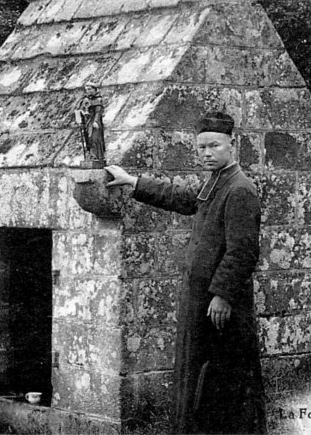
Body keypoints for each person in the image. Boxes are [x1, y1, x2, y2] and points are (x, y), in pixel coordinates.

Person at [105, 111, 265, 434]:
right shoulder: (214, 182)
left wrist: (222, 295)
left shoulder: (240, 190)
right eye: (202, 147)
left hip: (221, 311)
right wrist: (132, 182)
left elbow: (243, 251)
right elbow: (179, 196)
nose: (207, 153)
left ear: (232, 145)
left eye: (214, 146)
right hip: (200, 304)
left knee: (223, 385)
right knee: (197, 381)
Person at [75, 82, 106, 164]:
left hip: (94, 122)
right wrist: (81, 115)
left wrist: (96, 121)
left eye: (90, 89)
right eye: (87, 90)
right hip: (87, 122)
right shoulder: (85, 100)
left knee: (94, 138)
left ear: (95, 90)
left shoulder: (98, 100)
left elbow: (98, 112)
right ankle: (90, 155)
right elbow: (80, 110)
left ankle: (96, 156)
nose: (88, 91)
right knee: (88, 139)